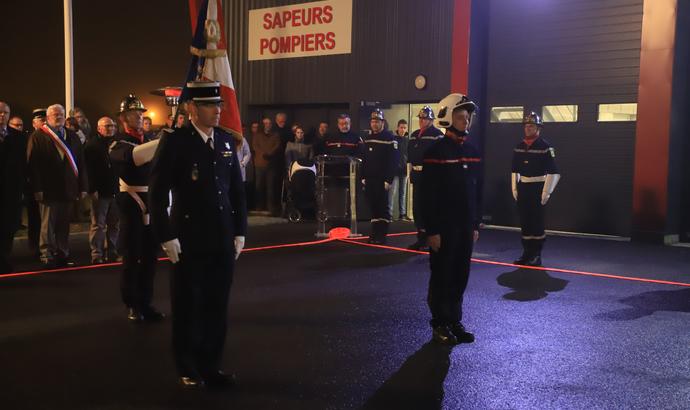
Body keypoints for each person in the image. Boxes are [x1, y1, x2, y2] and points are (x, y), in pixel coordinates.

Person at [149, 80, 247, 389]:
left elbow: (237, 190)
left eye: (219, 105)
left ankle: (211, 365)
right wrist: (165, 235)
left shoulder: (225, 141)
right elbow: (157, 189)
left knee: (217, 304)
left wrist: (240, 229)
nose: (218, 110)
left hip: (221, 235)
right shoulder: (176, 142)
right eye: (209, 105)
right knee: (188, 303)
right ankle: (187, 365)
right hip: (188, 236)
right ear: (192, 108)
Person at [421, 93, 480, 345]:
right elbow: (427, 194)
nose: (465, 121)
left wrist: (475, 224)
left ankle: (455, 320)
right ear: (447, 118)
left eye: (467, 117)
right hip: (443, 228)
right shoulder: (435, 152)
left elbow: (477, 190)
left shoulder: (472, 151)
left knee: (460, 275)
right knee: (442, 275)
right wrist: (431, 230)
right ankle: (440, 323)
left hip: (465, 227)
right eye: (460, 116)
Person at [109, 94, 165, 322]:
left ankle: (146, 302)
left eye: (142, 114)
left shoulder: (149, 139)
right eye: (135, 114)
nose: (140, 118)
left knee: (150, 258)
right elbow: (134, 158)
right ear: (123, 118)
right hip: (131, 203)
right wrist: (165, 140)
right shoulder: (117, 143)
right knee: (132, 257)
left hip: (152, 201)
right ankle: (131, 303)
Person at [27, 104, 87, 268]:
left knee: (63, 224)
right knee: (48, 224)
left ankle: (62, 252)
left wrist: (83, 187)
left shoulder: (72, 136)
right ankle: (47, 253)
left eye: (61, 114)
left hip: (68, 187)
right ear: (47, 118)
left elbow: (81, 163)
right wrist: (37, 188)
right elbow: (33, 165)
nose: (58, 117)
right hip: (48, 189)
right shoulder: (38, 136)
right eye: (54, 114)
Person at [511, 112, 560, 266]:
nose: (528, 129)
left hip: (538, 187)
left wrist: (546, 192)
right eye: (526, 126)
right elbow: (514, 170)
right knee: (525, 221)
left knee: (536, 222)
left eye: (531, 126)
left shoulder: (545, 147)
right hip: (523, 187)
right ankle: (526, 253)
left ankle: (536, 254)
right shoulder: (519, 147)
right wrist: (514, 188)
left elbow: (554, 171)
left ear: (538, 128)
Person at [407, 106, 444, 250]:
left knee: (431, 208)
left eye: (426, 119)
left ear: (431, 120)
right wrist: (410, 172)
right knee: (418, 208)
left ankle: (433, 238)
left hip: (431, 176)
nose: (422, 121)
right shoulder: (414, 135)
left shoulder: (437, 135)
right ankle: (421, 238)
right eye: (421, 118)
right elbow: (410, 156)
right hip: (417, 175)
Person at [84, 117, 120, 264]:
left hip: (116, 190)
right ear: (99, 128)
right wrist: (92, 189)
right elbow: (88, 170)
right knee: (98, 224)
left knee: (115, 224)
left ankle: (112, 251)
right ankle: (96, 254)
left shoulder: (118, 144)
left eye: (112, 126)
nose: (110, 128)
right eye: (106, 126)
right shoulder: (92, 146)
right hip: (100, 191)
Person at [361, 109, 399, 244]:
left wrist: (388, 180)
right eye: (373, 121)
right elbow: (364, 158)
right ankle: (374, 232)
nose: (375, 124)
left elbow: (393, 161)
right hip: (369, 179)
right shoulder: (368, 138)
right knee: (373, 207)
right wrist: (363, 177)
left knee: (383, 207)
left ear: (383, 122)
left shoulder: (390, 138)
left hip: (382, 180)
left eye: (377, 121)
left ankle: (381, 234)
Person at [0, 102, 27, 273]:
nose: (2, 115)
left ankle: (5, 258)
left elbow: (23, 164)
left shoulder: (18, 137)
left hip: (11, 190)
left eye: (5, 112)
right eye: (0, 112)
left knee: (8, 227)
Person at [252, 117, 281, 214]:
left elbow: (277, 145)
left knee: (270, 187)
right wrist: (263, 153)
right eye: (265, 123)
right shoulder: (257, 135)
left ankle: (270, 207)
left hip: (271, 164)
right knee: (259, 186)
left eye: (269, 123)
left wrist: (269, 153)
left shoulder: (275, 135)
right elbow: (255, 146)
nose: (267, 125)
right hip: (259, 164)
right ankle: (259, 206)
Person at [389, 119, 409, 220]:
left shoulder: (407, 140)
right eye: (401, 127)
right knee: (392, 193)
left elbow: (408, 155)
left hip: (404, 171)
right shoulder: (393, 139)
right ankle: (390, 214)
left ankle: (402, 214)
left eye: (404, 128)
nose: (403, 129)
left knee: (403, 193)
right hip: (395, 170)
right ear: (397, 128)